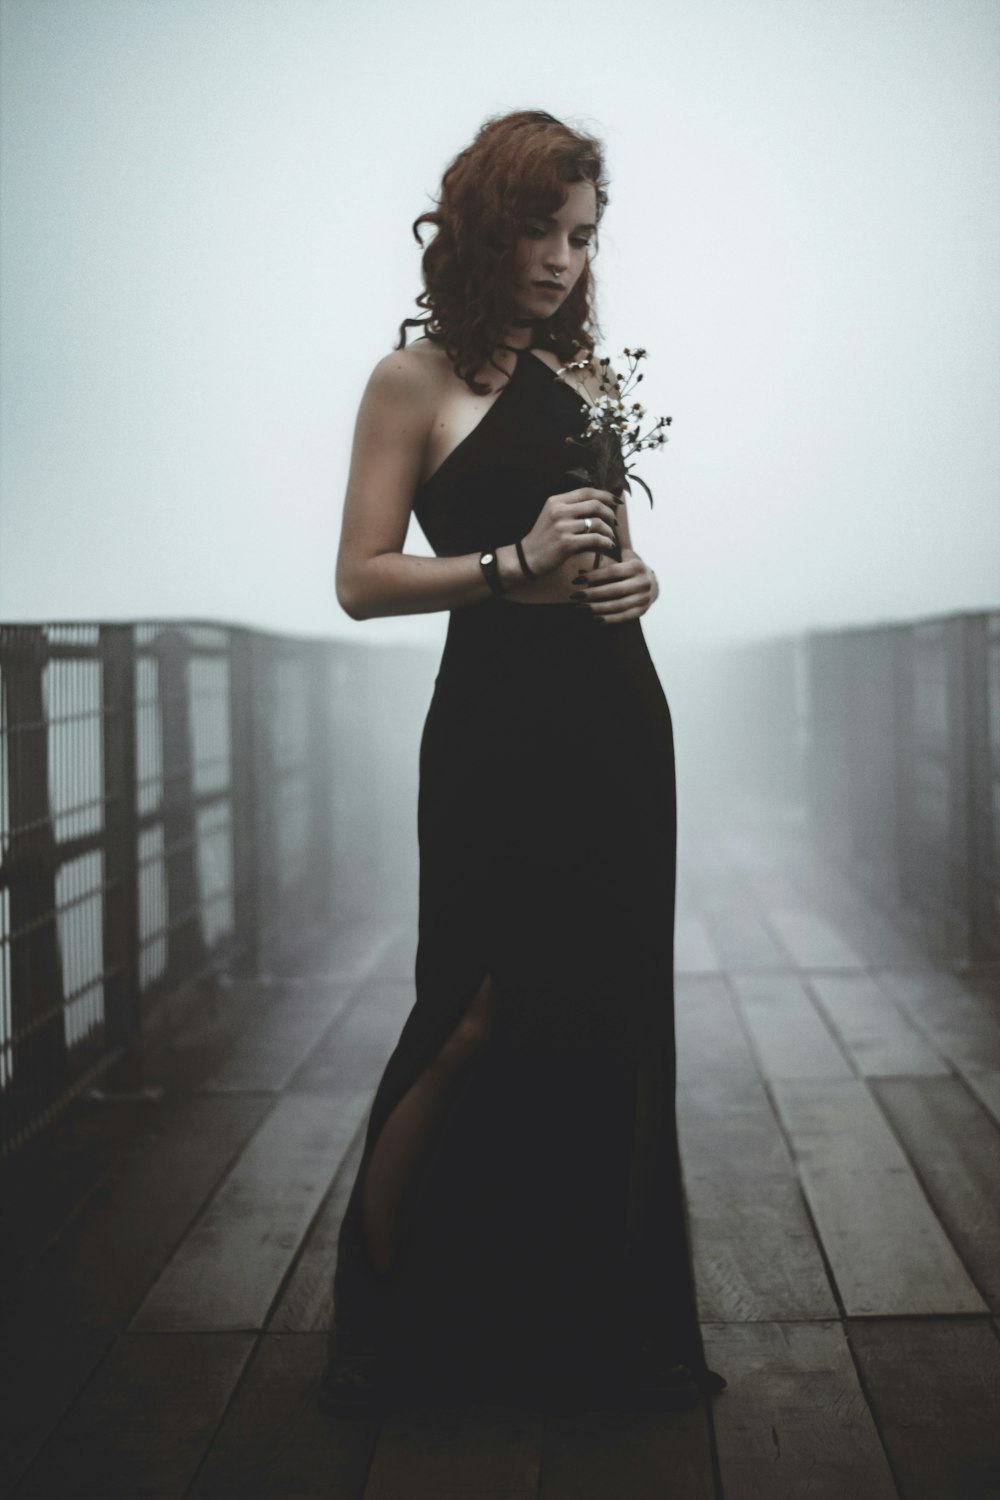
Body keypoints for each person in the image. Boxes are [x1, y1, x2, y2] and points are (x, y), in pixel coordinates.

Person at [317, 108, 726, 1414]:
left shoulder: (590, 378)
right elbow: (360, 581)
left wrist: (635, 577)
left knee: (602, 1012)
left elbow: (596, 552)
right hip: (495, 728)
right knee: (474, 1008)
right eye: (541, 229)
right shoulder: (414, 384)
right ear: (487, 225)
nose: (562, 258)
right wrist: (511, 567)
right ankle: (375, 1314)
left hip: (615, 719)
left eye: (583, 236)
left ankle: (570, 1324)